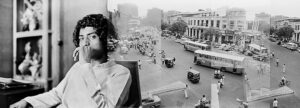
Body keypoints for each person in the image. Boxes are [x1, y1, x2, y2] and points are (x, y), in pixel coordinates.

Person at [10, 14, 132, 108]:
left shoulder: (121, 73)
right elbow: (57, 94)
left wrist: (85, 65)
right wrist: (27, 101)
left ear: (106, 39)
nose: (85, 42)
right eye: (81, 38)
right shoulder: (77, 67)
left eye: (92, 36)